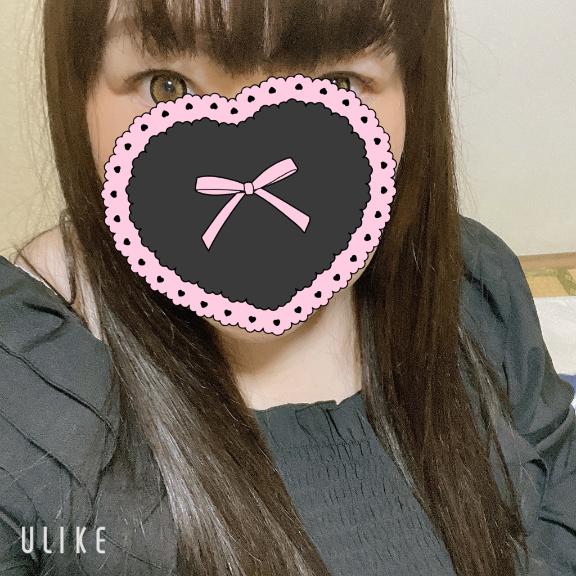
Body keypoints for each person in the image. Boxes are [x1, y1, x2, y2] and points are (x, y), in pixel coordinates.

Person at [1, 0, 575, 575]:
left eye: (337, 83)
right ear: (78, 87)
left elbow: (556, 477)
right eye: (167, 86)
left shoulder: (470, 280)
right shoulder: (25, 381)